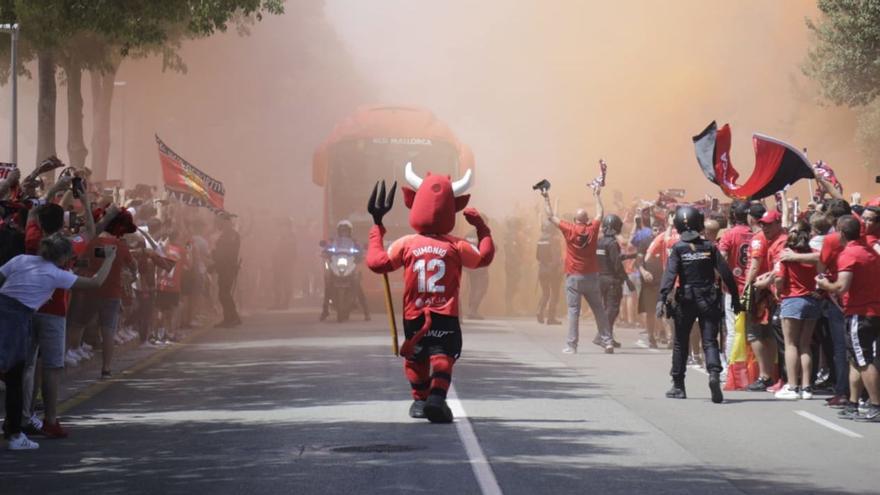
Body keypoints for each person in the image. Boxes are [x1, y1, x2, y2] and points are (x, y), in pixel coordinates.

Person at [366, 165, 494, 423]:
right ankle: (437, 397)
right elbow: (484, 258)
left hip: (414, 313)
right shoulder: (456, 245)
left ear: (413, 203)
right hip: (445, 315)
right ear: (453, 208)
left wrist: (377, 228)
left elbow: (377, 263)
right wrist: (482, 228)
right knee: (442, 356)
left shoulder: (406, 243)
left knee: (416, 358)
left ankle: (419, 400)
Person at [0, 234, 116, 450]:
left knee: (13, 374)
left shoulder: (21, 260)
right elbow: (96, 282)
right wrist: (109, 259)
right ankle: (14, 435)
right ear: (62, 257)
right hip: (17, 319)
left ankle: (13, 427)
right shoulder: (55, 274)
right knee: (14, 378)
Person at [658, 206, 740, 403]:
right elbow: (726, 273)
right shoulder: (710, 247)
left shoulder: (678, 248)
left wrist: (662, 298)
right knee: (710, 340)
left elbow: (670, 275)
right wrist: (736, 297)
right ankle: (713, 374)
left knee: (680, 343)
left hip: (686, 299)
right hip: (709, 298)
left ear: (677, 225)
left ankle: (678, 386)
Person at [817, 215, 880, 421]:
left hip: (859, 312)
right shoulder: (869, 252)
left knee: (862, 360)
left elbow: (841, 286)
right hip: (871, 310)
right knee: (855, 359)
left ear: (841, 233)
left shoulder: (849, 254)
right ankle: (853, 403)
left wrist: (824, 284)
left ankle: (876, 404)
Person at [541, 185, 614, 354]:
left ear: (575, 220)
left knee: (574, 312)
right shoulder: (592, 229)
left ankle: (572, 345)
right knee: (599, 310)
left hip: (574, 276)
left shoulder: (570, 229)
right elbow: (600, 214)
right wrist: (596, 195)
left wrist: (546, 197)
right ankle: (607, 341)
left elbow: (551, 216)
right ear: (586, 219)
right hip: (592, 276)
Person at [773, 220, 820, 399]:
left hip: (792, 298)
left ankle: (793, 386)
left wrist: (778, 292)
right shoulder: (814, 254)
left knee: (791, 344)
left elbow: (778, 279)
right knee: (805, 345)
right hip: (811, 299)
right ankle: (807, 387)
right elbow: (824, 268)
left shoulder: (784, 254)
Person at [742, 209, 787, 391]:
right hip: (769, 291)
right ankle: (772, 375)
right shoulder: (776, 238)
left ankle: (765, 375)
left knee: (756, 333)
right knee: (767, 335)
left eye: (769, 224)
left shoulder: (760, 239)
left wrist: (747, 290)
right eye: (763, 224)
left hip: (763, 292)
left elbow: (755, 266)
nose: (765, 227)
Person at [717, 201, 754, 368]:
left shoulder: (729, 234)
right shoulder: (757, 233)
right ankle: (751, 368)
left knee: (733, 330)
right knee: (751, 331)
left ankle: (732, 369)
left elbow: (721, 258)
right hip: (753, 288)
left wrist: (720, 277)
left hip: (733, 289)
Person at [320, 219, 369, 321]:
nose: (344, 233)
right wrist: (325, 252)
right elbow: (326, 249)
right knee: (328, 281)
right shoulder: (334, 241)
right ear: (338, 231)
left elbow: (360, 250)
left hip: (349, 264)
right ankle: (325, 310)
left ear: (349, 231)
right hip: (336, 263)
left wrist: (361, 254)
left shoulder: (354, 243)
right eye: (342, 231)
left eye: (346, 231)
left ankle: (366, 312)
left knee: (357, 283)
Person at [597, 213, 632, 346]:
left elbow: (607, 259)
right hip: (612, 280)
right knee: (612, 310)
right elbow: (616, 264)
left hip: (601, 279)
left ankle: (608, 336)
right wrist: (627, 279)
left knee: (607, 308)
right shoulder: (612, 243)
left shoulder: (600, 242)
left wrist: (628, 256)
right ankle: (602, 336)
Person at [212, 213, 241, 328]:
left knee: (224, 294)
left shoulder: (231, 235)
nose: (217, 224)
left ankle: (232, 318)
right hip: (223, 267)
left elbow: (226, 253)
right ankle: (230, 318)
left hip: (227, 267)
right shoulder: (226, 234)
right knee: (223, 294)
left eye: (219, 222)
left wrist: (215, 256)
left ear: (225, 222)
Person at [535, 220, 562, 325]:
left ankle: (539, 311)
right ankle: (551, 318)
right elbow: (556, 257)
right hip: (553, 271)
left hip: (542, 269)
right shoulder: (554, 240)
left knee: (545, 293)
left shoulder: (540, 239)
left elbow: (537, 256)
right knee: (555, 294)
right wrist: (557, 267)